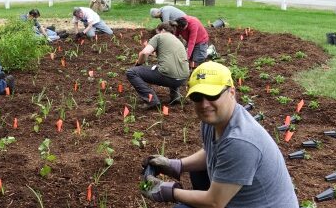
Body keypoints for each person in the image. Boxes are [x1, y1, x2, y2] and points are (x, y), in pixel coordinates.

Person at [140, 62, 298, 207]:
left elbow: (215, 203)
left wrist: (166, 190)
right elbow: (212, 151)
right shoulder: (216, 120)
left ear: (231, 92)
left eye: (212, 95)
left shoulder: (241, 141)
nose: (204, 104)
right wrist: (176, 165)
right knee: (198, 173)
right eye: (197, 97)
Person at [127, 21, 188, 109]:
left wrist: (139, 64)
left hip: (169, 77)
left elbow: (144, 53)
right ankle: (176, 96)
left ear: (162, 30)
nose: (156, 34)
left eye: (157, 32)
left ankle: (151, 101)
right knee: (170, 67)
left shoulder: (159, 36)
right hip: (183, 78)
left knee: (131, 72)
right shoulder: (178, 40)